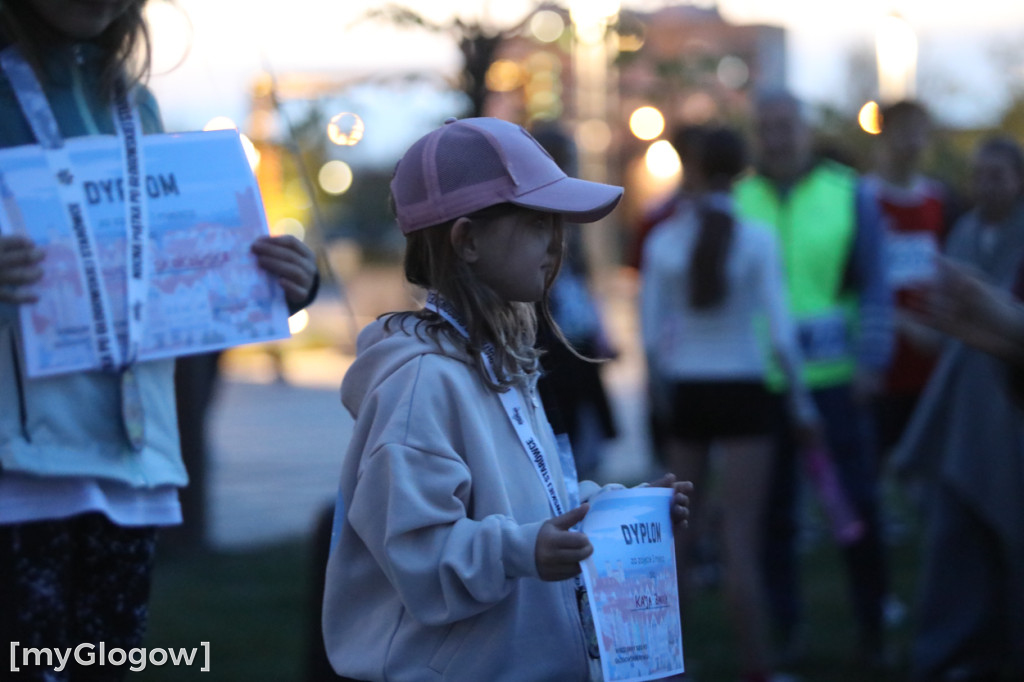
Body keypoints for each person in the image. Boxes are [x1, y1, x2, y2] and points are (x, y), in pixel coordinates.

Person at [0, 1, 318, 679]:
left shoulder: (133, 103)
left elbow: (159, 262)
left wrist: (275, 284)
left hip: (130, 467)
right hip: (19, 469)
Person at [320, 116, 692, 682]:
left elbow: (533, 502)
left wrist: (621, 510)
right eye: (539, 223)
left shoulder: (497, 362)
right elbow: (417, 552)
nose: (557, 244)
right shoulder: (422, 384)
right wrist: (523, 552)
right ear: (467, 240)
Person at [640, 126, 820, 682]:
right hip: (746, 391)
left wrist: (661, 398)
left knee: (679, 539)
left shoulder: (664, 241)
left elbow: (650, 340)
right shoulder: (759, 237)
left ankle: (672, 665)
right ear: (741, 171)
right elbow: (782, 335)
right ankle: (756, 668)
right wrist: (802, 405)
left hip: (689, 392)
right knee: (741, 534)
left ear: (691, 170)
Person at [733, 90, 894, 666]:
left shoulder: (850, 192)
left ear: (805, 127)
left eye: (786, 124)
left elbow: (876, 283)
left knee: (856, 505)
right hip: (762, 382)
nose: (777, 135)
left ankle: (873, 626)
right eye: (766, 125)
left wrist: (873, 363)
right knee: (772, 515)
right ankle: (785, 630)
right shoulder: (738, 198)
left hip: (837, 381)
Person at [893, 135, 1024, 682]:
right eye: (980, 173)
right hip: (967, 412)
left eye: (999, 174)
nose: (986, 184)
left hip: (1008, 416)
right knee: (956, 541)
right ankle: (953, 654)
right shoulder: (966, 232)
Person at [863, 100, 956, 454]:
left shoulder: (939, 199)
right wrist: (898, 322)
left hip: (930, 358)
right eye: (903, 131)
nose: (911, 142)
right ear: (884, 135)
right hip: (881, 361)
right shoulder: (865, 198)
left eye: (919, 132)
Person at [530, 122, 618, 482]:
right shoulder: (532, 220)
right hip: (546, 346)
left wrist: (600, 329)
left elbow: (581, 283)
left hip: (576, 344)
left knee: (582, 444)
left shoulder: (573, 227)